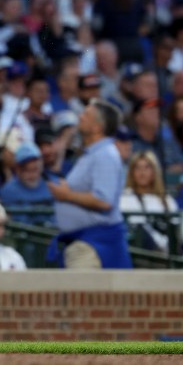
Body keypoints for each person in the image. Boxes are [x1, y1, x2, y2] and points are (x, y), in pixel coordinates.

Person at [47, 99, 132, 269]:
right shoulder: (92, 153)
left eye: (86, 114)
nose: (80, 117)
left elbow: (104, 201)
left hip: (94, 246)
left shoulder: (105, 154)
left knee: (82, 296)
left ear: (97, 127)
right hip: (85, 243)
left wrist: (66, 195)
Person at [119, 151, 178, 253]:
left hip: (168, 253)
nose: (142, 172)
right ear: (132, 172)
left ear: (155, 171)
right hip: (140, 253)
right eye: (137, 168)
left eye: (147, 167)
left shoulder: (167, 200)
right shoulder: (124, 198)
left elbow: (176, 231)